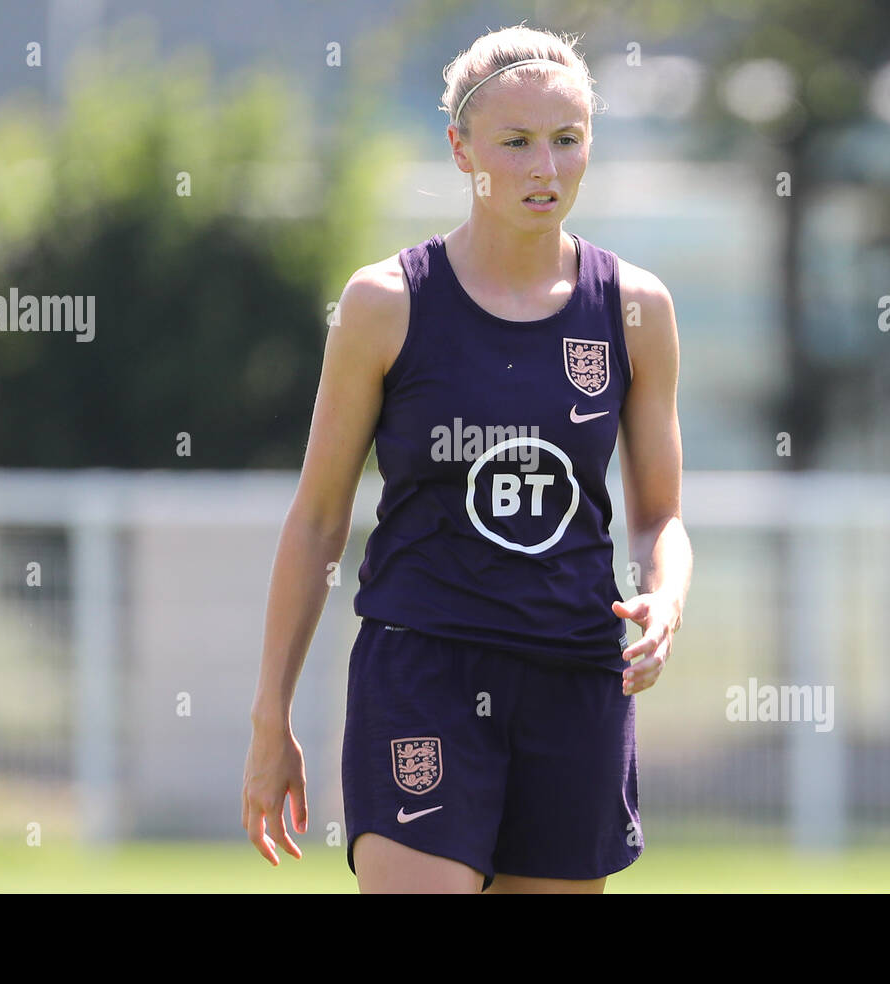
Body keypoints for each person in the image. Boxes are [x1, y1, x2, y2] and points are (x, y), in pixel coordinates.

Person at [241, 22, 692, 894]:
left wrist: (665, 597)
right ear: (461, 149)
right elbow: (319, 520)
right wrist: (272, 717)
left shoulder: (636, 308)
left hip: (575, 678)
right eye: (516, 143)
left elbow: (660, 513)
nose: (544, 168)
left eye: (566, 141)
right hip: (423, 670)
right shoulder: (384, 304)